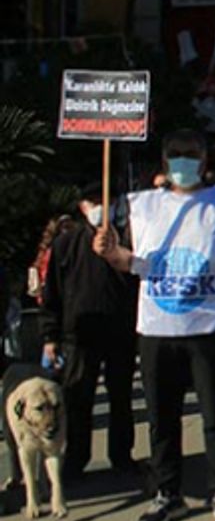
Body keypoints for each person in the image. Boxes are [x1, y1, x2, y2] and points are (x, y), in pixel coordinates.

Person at [92, 129, 215, 521]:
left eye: (191, 153)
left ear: (205, 159)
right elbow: (131, 262)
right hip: (157, 328)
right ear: (165, 161)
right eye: (177, 153)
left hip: (207, 326)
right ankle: (167, 493)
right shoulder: (143, 207)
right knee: (162, 419)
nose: (184, 160)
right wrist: (110, 253)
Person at [39, 184, 137, 482]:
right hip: (79, 334)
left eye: (106, 201)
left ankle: (122, 455)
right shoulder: (66, 243)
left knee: (121, 397)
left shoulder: (129, 240)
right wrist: (50, 335)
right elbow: (52, 292)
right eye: (93, 202)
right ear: (82, 207)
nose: (100, 207)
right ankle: (76, 458)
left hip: (120, 331)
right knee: (78, 400)